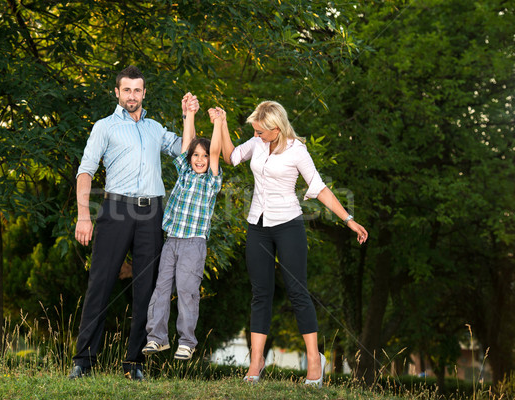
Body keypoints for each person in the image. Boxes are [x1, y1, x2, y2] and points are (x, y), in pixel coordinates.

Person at [220, 100, 368, 387]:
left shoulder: (297, 150)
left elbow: (319, 187)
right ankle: (256, 361)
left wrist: (349, 219)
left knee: (298, 291)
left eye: (261, 131)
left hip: (288, 225)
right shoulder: (257, 142)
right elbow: (231, 158)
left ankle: (315, 360)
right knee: (260, 293)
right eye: (255, 131)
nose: (257, 135)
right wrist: (222, 123)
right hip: (257, 225)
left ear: (276, 129)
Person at [68, 65, 200, 381]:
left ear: (143, 93)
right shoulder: (104, 127)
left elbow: (188, 152)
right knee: (100, 284)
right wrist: (83, 216)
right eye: (126, 90)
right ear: (117, 92)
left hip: (152, 212)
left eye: (137, 90)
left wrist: (189, 116)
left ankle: (134, 363)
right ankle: (84, 362)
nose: (132, 95)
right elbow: (85, 171)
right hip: (115, 210)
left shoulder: (155, 128)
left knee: (148, 289)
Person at [141, 107, 224, 361]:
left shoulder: (211, 180)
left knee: (187, 291)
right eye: (196, 155)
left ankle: (187, 341)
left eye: (204, 156)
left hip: (193, 244)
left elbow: (217, 151)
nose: (200, 159)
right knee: (161, 289)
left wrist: (218, 123)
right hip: (171, 241)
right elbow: (187, 144)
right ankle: (157, 338)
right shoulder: (185, 173)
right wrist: (188, 114)